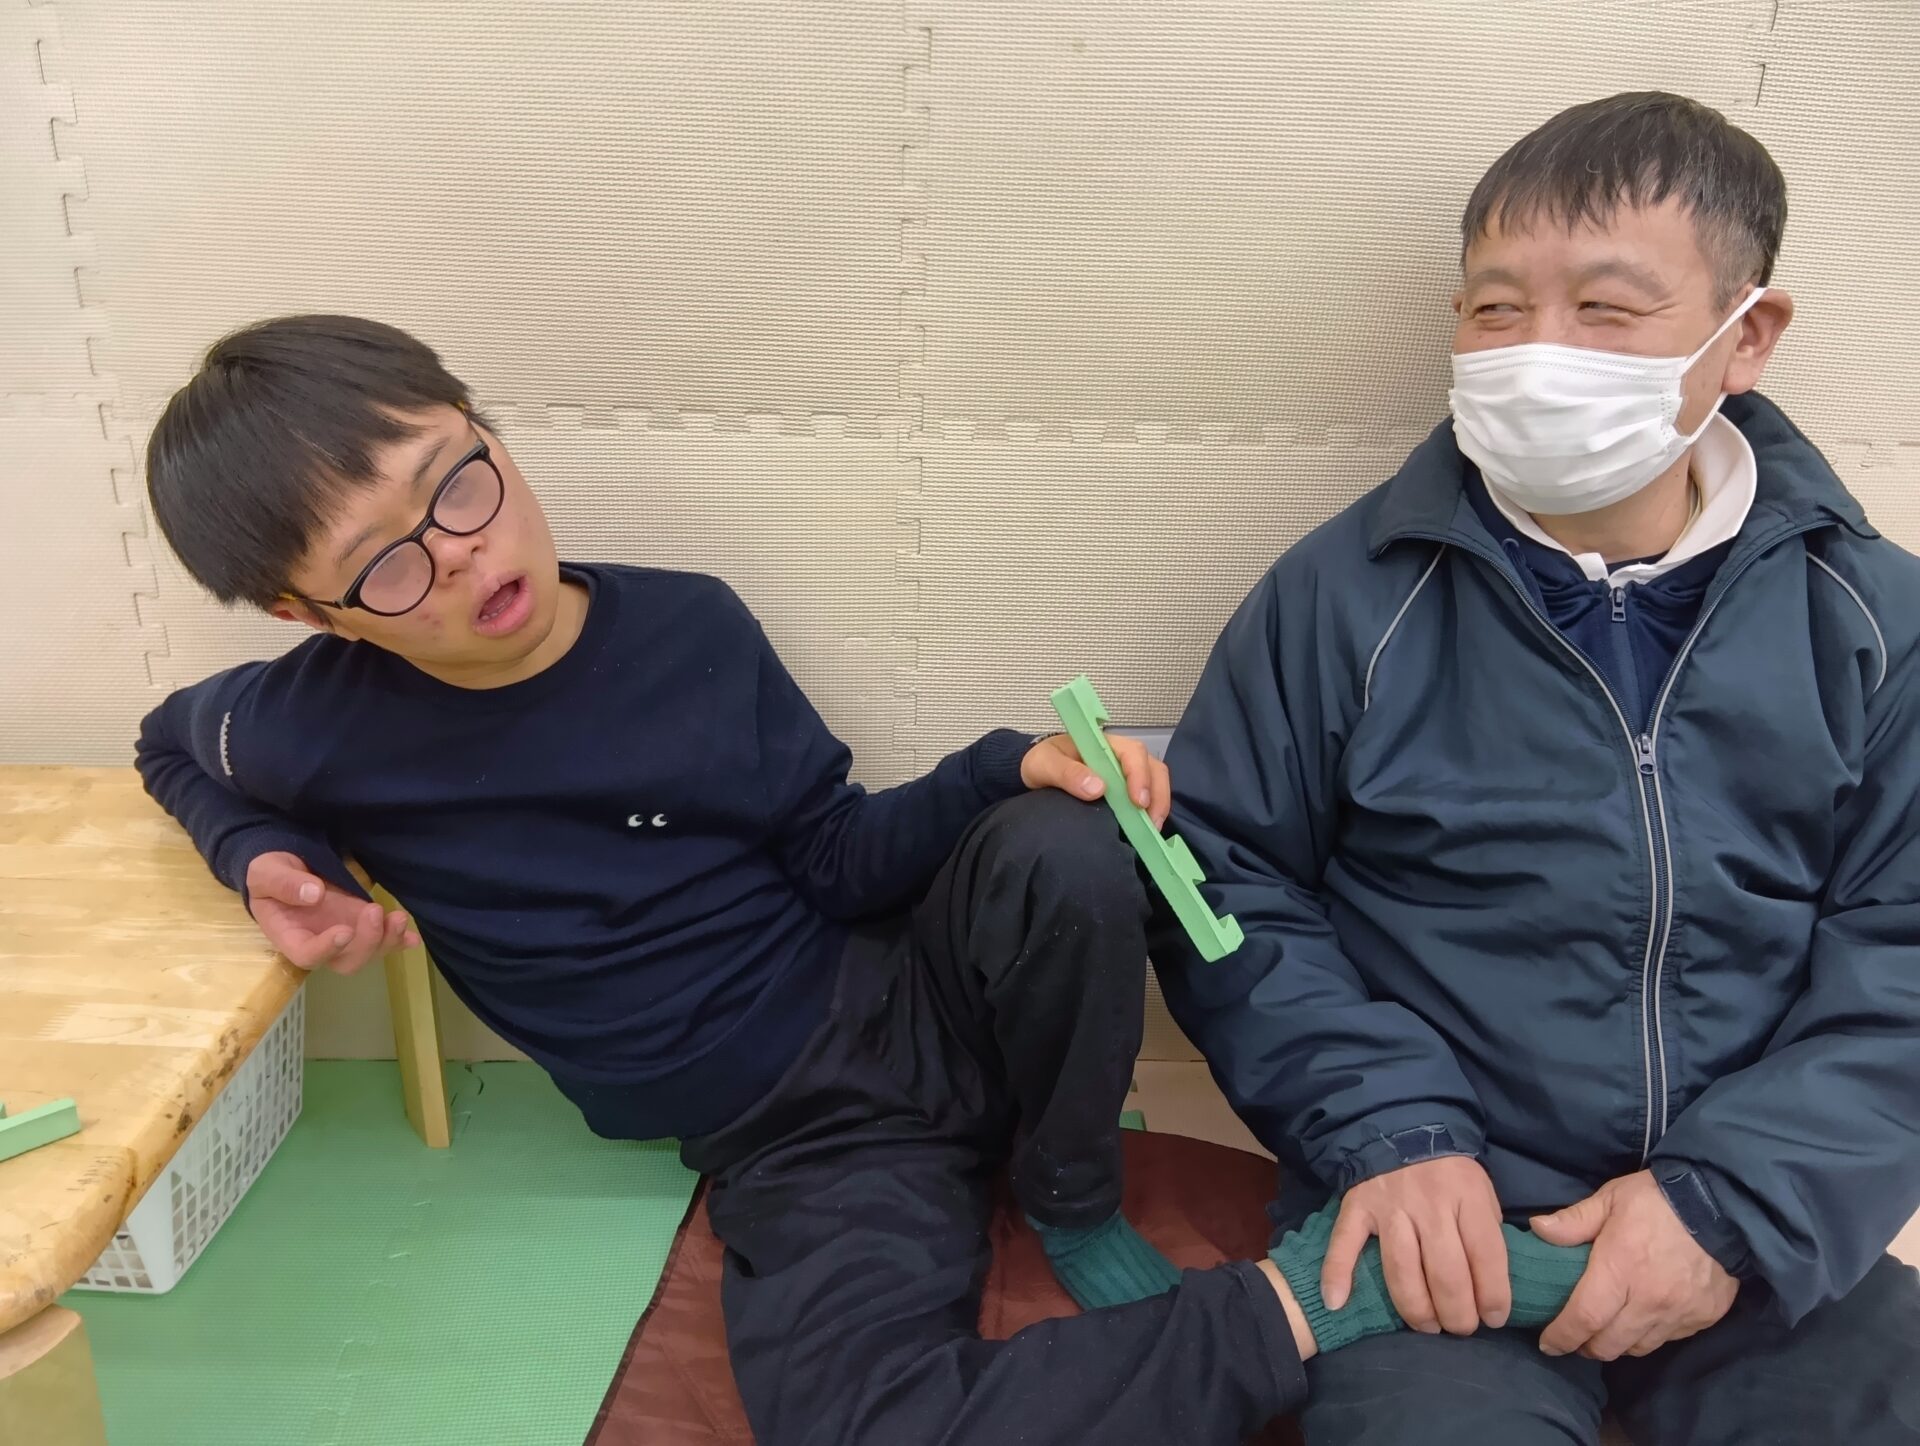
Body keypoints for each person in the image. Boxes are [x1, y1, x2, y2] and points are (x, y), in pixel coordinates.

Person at [135, 316, 1595, 1443]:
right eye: (385, 565)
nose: (458, 554)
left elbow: (836, 853)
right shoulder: (311, 718)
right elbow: (168, 744)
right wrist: (263, 857)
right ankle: (1307, 1303)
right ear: (308, 612)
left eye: (457, 479)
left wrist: (1003, 768)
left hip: (912, 990)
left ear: (487, 430)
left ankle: (1071, 1190)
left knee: (1074, 841)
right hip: (800, 1144)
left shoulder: (687, 631)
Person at [1156, 90, 1920, 1445]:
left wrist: (1729, 1206)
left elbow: (1905, 952)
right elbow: (1222, 882)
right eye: (1496, 308)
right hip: (1437, 1233)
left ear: (1747, 336)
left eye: (1605, 309)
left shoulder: (1872, 624)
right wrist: (1392, 1133)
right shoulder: (1342, 598)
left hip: (1763, 1237)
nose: (1535, 352)